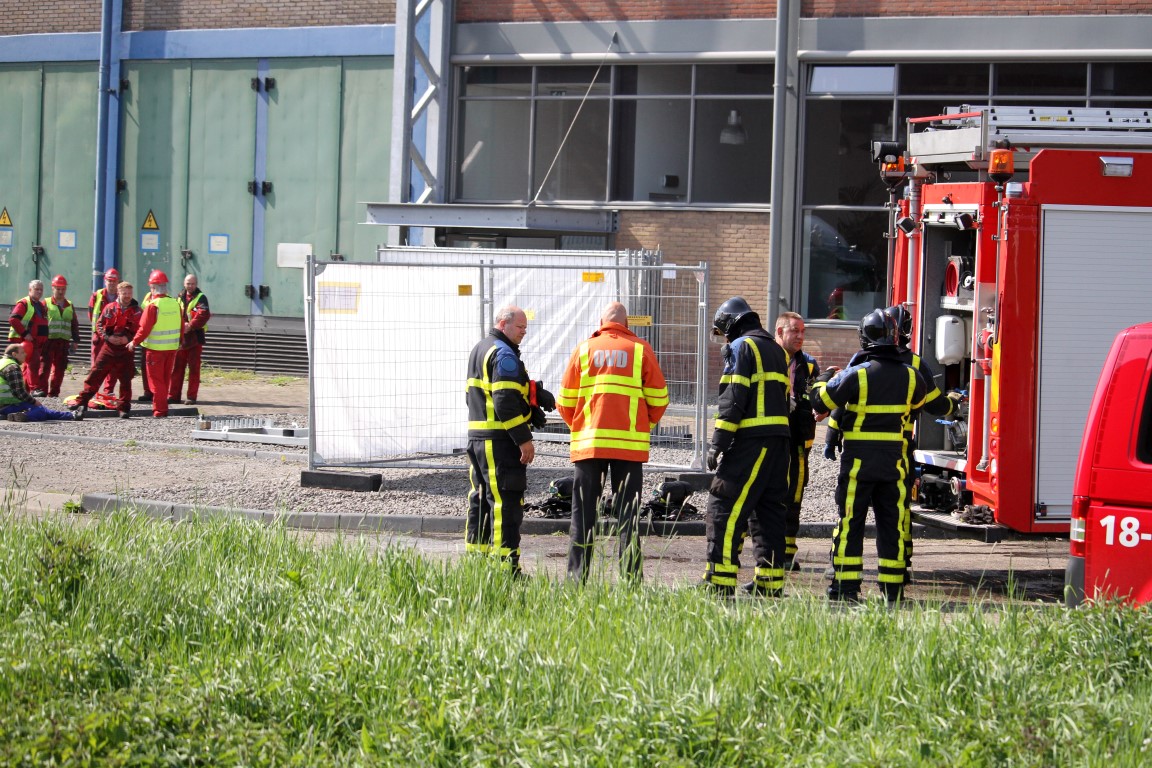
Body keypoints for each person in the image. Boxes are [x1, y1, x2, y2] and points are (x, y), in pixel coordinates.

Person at [823, 304, 961, 582]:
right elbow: (933, 404)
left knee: (851, 516)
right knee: (895, 515)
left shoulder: (860, 362)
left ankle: (843, 578)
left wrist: (832, 433)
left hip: (860, 454)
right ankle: (898, 571)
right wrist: (953, 404)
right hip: (898, 450)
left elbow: (840, 399)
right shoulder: (915, 366)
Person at [811, 309, 928, 604]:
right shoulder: (912, 377)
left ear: (864, 338)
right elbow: (923, 402)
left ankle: (846, 590)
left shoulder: (857, 374)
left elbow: (822, 400)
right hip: (895, 463)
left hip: (859, 465)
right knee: (892, 525)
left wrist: (823, 377)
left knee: (851, 523)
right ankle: (893, 593)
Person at [557, 301, 669, 583]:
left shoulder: (584, 349)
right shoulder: (641, 350)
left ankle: (575, 581)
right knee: (628, 518)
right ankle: (631, 582)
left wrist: (580, 427)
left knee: (582, 517)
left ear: (601, 322)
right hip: (628, 448)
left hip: (589, 446)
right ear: (626, 324)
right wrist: (643, 425)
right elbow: (659, 399)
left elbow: (564, 402)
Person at [699, 297, 792, 597]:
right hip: (779, 446)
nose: (723, 338)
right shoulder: (777, 350)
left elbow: (733, 396)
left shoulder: (741, 347)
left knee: (723, 506)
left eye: (723, 331)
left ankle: (720, 581)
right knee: (768, 514)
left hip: (752, 442)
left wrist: (718, 443)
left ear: (731, 324)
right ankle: (769, 583)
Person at [464, 305, 550, 575]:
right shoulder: (504, 354)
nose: (524, 332)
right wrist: (523, 439)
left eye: (526, 327)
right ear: (503, 323)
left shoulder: (482, 347)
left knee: (480, 499)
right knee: (506, 504)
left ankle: (477, 567)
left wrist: (532, 391)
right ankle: (505, 570)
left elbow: (493, 392)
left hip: (478, 439)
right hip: (499, 442)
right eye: (520, 327)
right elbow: (504, 401)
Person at [775, 311, 821, 572]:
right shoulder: (768, 359)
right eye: (795, 331)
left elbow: (814, 397)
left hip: (799, 444)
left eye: (803, 331)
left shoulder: (810, 364)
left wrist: (820, 405)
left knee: (794, 498)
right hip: (772, 442)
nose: (801, 336)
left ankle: (787, 554)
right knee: (767, 496)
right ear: (780, 332)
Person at [70, 282, 142, 420]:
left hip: (126, 349)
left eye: (129, 293)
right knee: (95, 375)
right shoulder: (110, 308)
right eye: (124, 293)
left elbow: (141, 329)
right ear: (118, 293)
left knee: (126, 380)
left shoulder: (137, 311)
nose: (127, 296)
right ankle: (82, 402)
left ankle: (123, 409)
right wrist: (107, 338)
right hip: (109, 348)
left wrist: (128, 339)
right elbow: (99, 324)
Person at [127, 270, 184, 418]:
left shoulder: (153, 306)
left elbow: (144, 328)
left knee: (157, 382)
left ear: (152, 288)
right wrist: (180, 342)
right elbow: (181, 326)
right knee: (165, 380)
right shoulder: (175, 303)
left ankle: (160, 411)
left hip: (155, 350)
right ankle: (162, 407)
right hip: (171, 349)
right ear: (165, 287)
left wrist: (134, 342)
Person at [0, 344, 78, 422]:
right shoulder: (12, 367)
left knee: (40, 410)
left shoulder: (2, 363)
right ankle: (25, 416)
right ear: (14, 354)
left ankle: (71, 415)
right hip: (8, 405)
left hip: (4, 405)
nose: (25, 354)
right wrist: (34, 402)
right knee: (41, 410)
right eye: (23, 352)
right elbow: (19, 392)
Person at [170, 274, 211, 405]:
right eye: (188, 283)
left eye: (193, 284)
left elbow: (203, 314)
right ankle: (173, 396)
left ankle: (191, 397)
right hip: (181, 338)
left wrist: (190, 325)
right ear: (184, 283)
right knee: (177, 368)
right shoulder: (179, 297)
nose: (190, 286)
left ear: (196, 284)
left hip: (195, 338)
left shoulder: (201, 297)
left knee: (194, 369)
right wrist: (182, 326)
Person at [40, 275, 81, 398]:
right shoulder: (46, 303)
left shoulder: (69, 305)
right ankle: (41, 392)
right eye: (58, 289)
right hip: (48, 341)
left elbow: (74, 324)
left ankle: (54, 393)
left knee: (60, 369)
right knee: (44, 368)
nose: (61, 291)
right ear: (53, 288)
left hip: (63, 342)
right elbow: (40, 321)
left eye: (63, 289)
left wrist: (76, 340)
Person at [8, 279, 49, 395]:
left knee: (28, 366)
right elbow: (13, 319)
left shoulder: (40, 305)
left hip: (35, 341)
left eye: (41, 290)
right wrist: (25, 334)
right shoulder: (24, 303)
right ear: (30, 290)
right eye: (36, 289)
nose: (39, 292)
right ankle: (34, 389)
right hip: (23, 341)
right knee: (33, 363)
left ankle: (25, 391)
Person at [88, 268, 121, 400]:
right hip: (100, 337)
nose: (111, 284)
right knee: (97, 366)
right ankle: (93, 390)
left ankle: (108, 391)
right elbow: (92, 315)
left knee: (113, 365)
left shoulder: (122, 295)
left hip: (114, 338)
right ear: (104, 281)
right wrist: (101, 331)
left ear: (118, 282)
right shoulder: (97, 296)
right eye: (109, 281)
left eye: (114, 281)